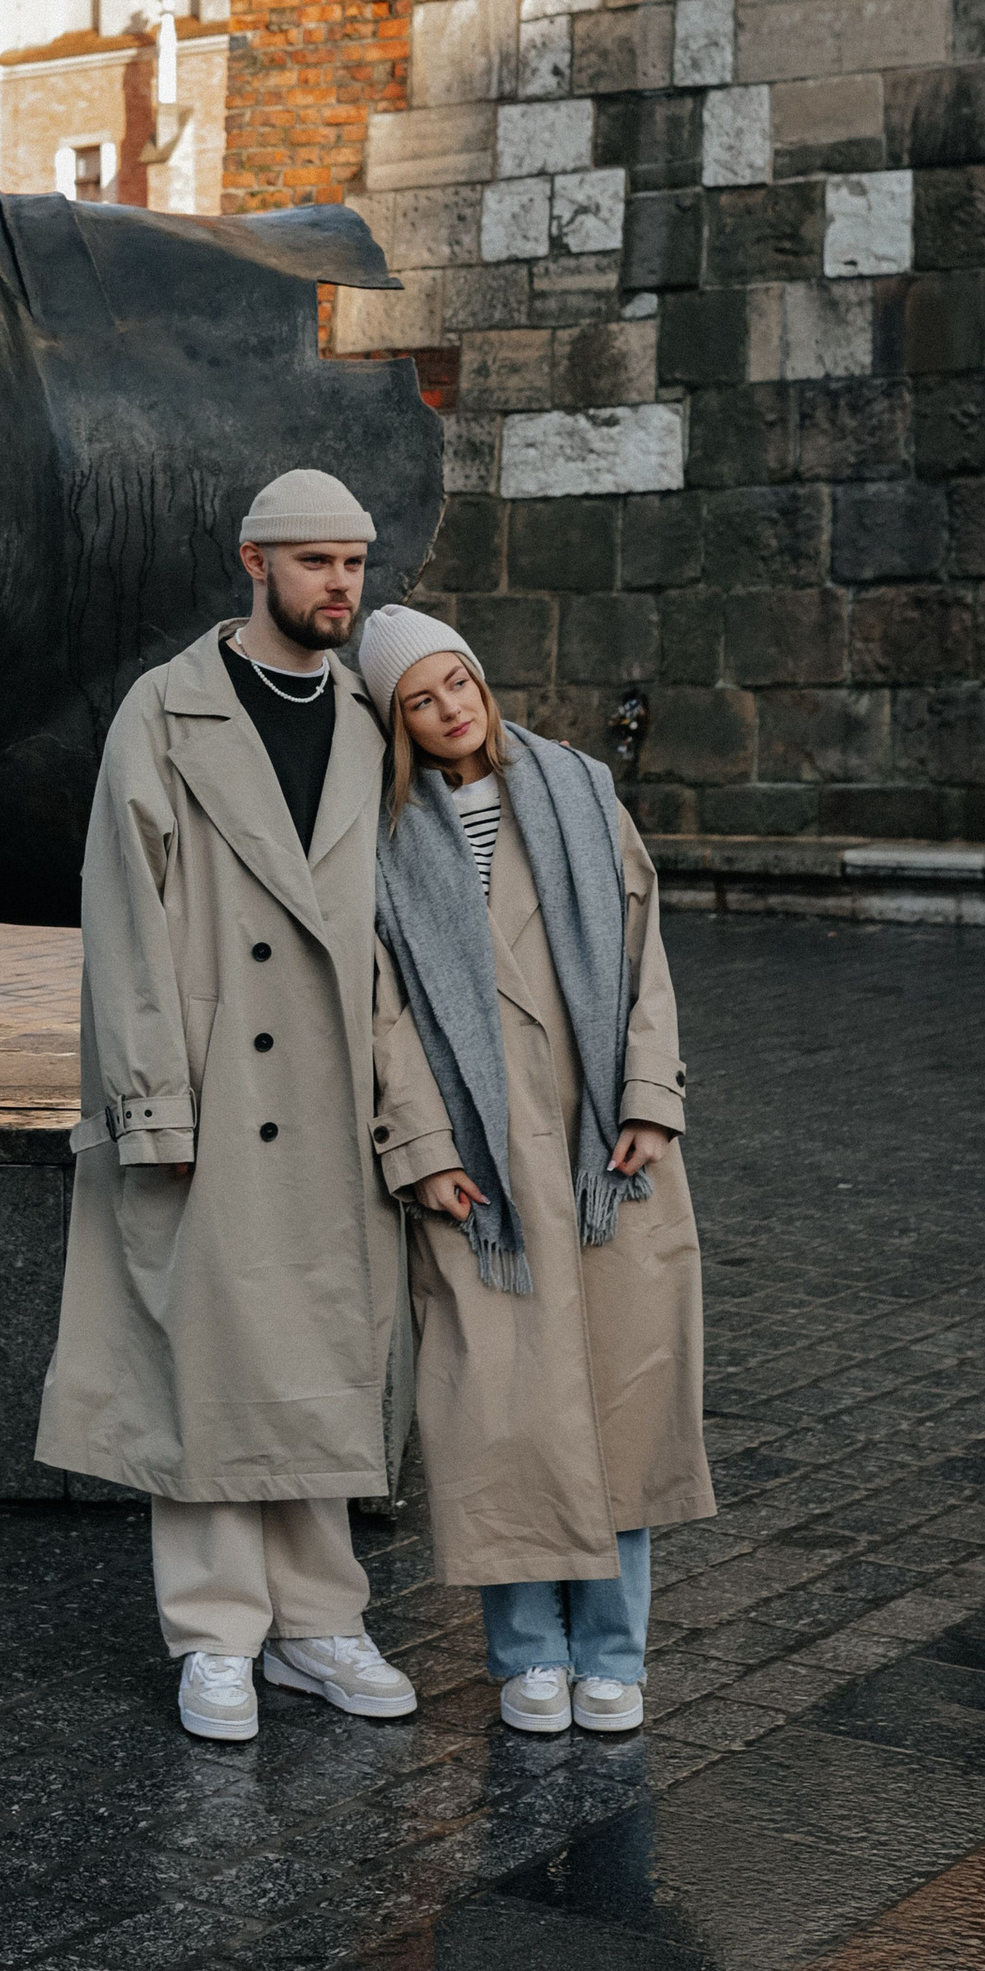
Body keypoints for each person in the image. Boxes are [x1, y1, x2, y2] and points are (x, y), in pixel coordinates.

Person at [35, 468, 419, 1742]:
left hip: (335, 1097)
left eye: (354, 566)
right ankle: (214, 1636)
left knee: (322, 1360)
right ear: (252, 562)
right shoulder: (169, 710)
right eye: (315, 564)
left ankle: (317, 1623)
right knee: (201, 1369)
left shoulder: (371, 716)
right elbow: (122, 919)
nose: (339, 587)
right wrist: (151, 1103)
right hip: (213, 1088)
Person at [358, 605, 712, 1736]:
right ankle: (525, 1653)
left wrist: (651, 1102)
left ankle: (613, 1652)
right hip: (483, 1157)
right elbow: (384, 1012)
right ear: (397, 722)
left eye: (458, 680)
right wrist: (421, 1152)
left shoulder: (573, 790)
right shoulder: (381, 837)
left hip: (598, 1138)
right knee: (501, 1414)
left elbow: (641, 950)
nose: (452, 707)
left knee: (618, 1401)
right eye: (423, 698)